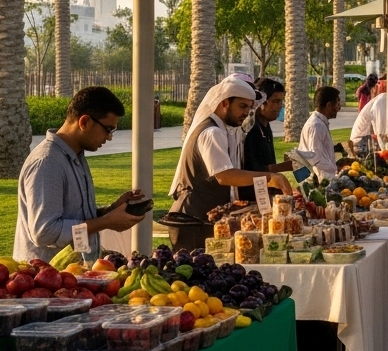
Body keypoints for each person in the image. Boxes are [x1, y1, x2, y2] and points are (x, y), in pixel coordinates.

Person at [15, 87, 143, 262]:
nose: (109, 137)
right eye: (108, 129)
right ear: (84, 122)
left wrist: (110, 211)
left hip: (77, 272)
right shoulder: (48, 162)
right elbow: (45, 232)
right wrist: (106, 222)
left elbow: (74, 218)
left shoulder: (75, 156)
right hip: (47, 275)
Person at [170, 76, 291, 244]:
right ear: (224, 103)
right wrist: (270, 178)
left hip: (204, 219)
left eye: (249, 107)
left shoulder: (225, 130)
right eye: (242, 106)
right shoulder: (212, 132)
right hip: (192, 220)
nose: (246, 113)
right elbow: (225, 175)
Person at [241, 78, 291, 175]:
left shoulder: (266, 126)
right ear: (261, 102)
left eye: (281, 101)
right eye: (275, 101)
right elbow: (250, 170)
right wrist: (284, 166)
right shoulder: (250, 130)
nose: (279, 106)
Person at [349, 80, 387, 157]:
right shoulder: (383, 99)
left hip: (364, 142)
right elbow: (381, 131)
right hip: (361, 144)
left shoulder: (383, 99)